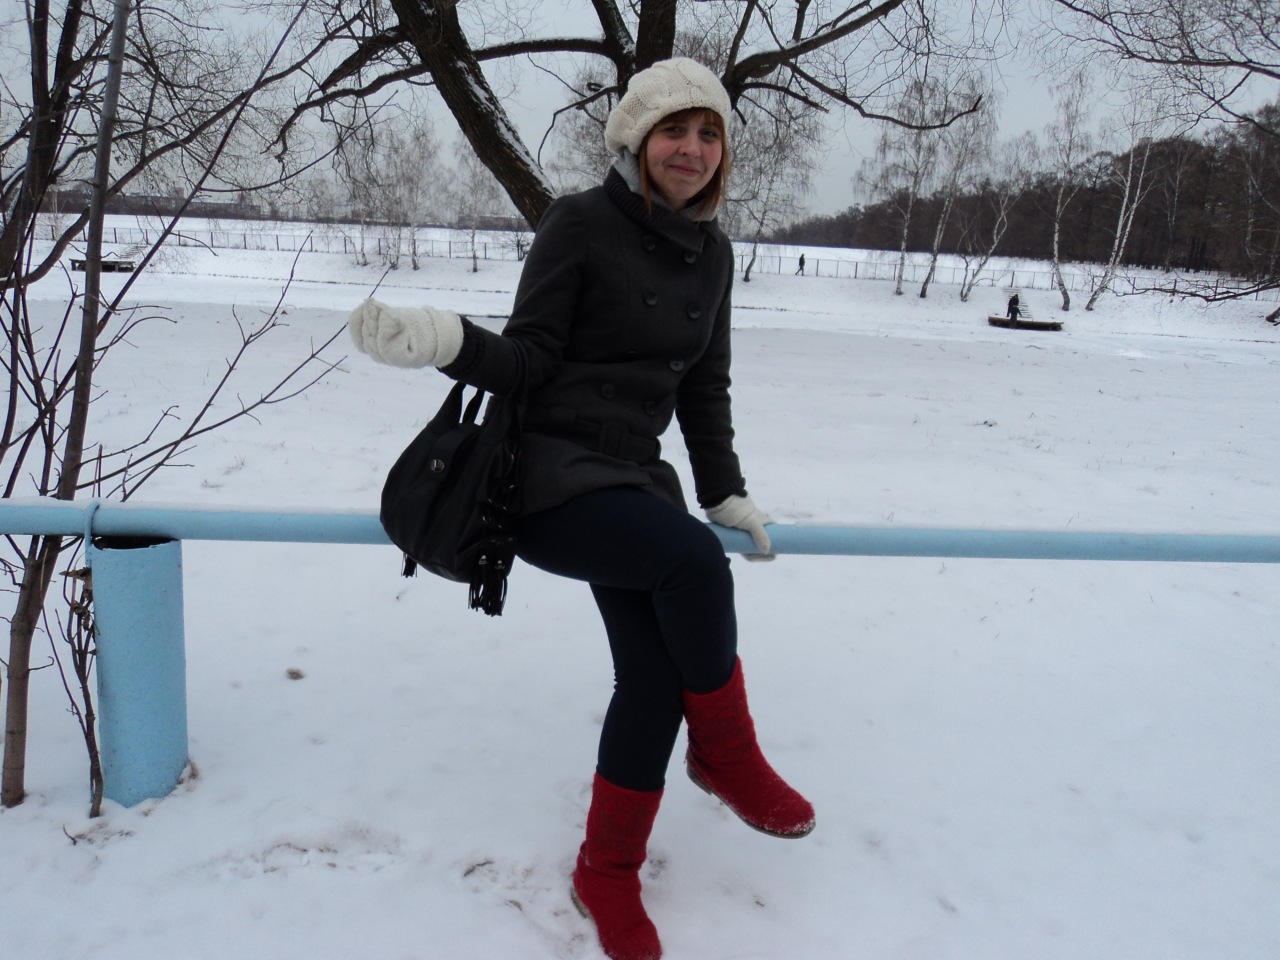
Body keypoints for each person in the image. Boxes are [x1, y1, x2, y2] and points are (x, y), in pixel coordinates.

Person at [347, 57, 813, 960]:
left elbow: (703, 388)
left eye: (709, 133)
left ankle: (606, 872)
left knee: (653, 681)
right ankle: (727, 755)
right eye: (675, 130)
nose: (693, 149)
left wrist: (722, 489)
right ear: (638, 139)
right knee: (691, 563)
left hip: (634, 482)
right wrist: (449, 341)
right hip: (548, 476)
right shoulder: (580, 222)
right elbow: (527, 360)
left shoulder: (714, 254)